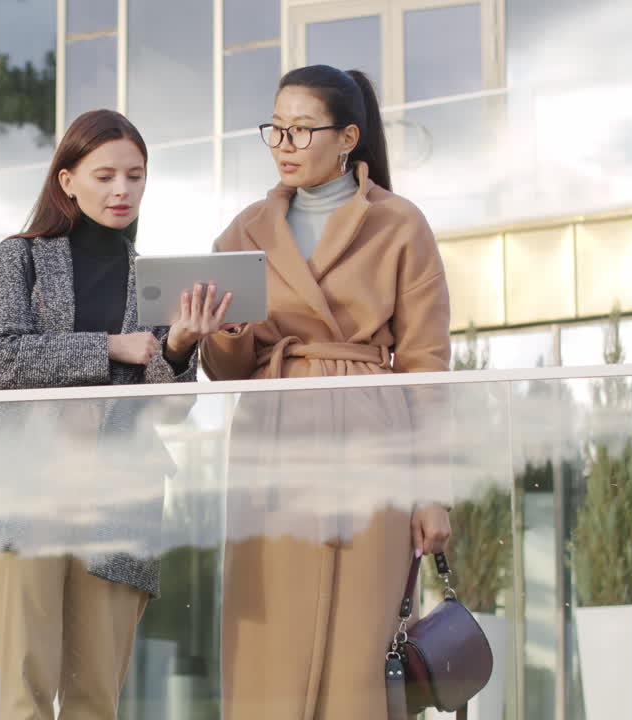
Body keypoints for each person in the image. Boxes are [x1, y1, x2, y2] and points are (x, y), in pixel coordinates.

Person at [200, 65, 454, 719]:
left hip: (371, 440)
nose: (283, 143)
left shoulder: (399, 225)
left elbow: (425, 365)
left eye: (301, 130)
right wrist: (223, 334)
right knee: (267, 642)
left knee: (359, 647)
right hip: (272, 443)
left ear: (346, 138)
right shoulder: (245, 231)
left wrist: (430, 490)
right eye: (275, 129)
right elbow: (224, 368)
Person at [0, 108, 230, 720]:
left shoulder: (156, 280)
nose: (122, 190)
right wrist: (111, 347)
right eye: (105, 175)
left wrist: (179, 347)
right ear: (67, 180)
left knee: (96, 701)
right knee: (24, 696)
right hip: (24, 488)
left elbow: (175, 406)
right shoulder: (18, 259)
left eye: (135, 177)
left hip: (120, 493)